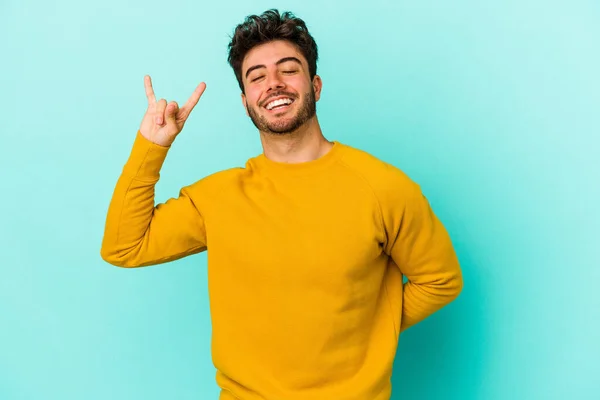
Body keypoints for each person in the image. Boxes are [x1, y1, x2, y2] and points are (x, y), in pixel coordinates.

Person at [100, 9, 463, 400]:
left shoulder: (383, 187)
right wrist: (152, 146)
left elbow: (440, 280)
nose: (273, 84)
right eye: (256, 76)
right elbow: (124, 247)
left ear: (316, 85)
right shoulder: (217, 198)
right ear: (245, 101)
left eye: (288, 69)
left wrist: (373, 326)